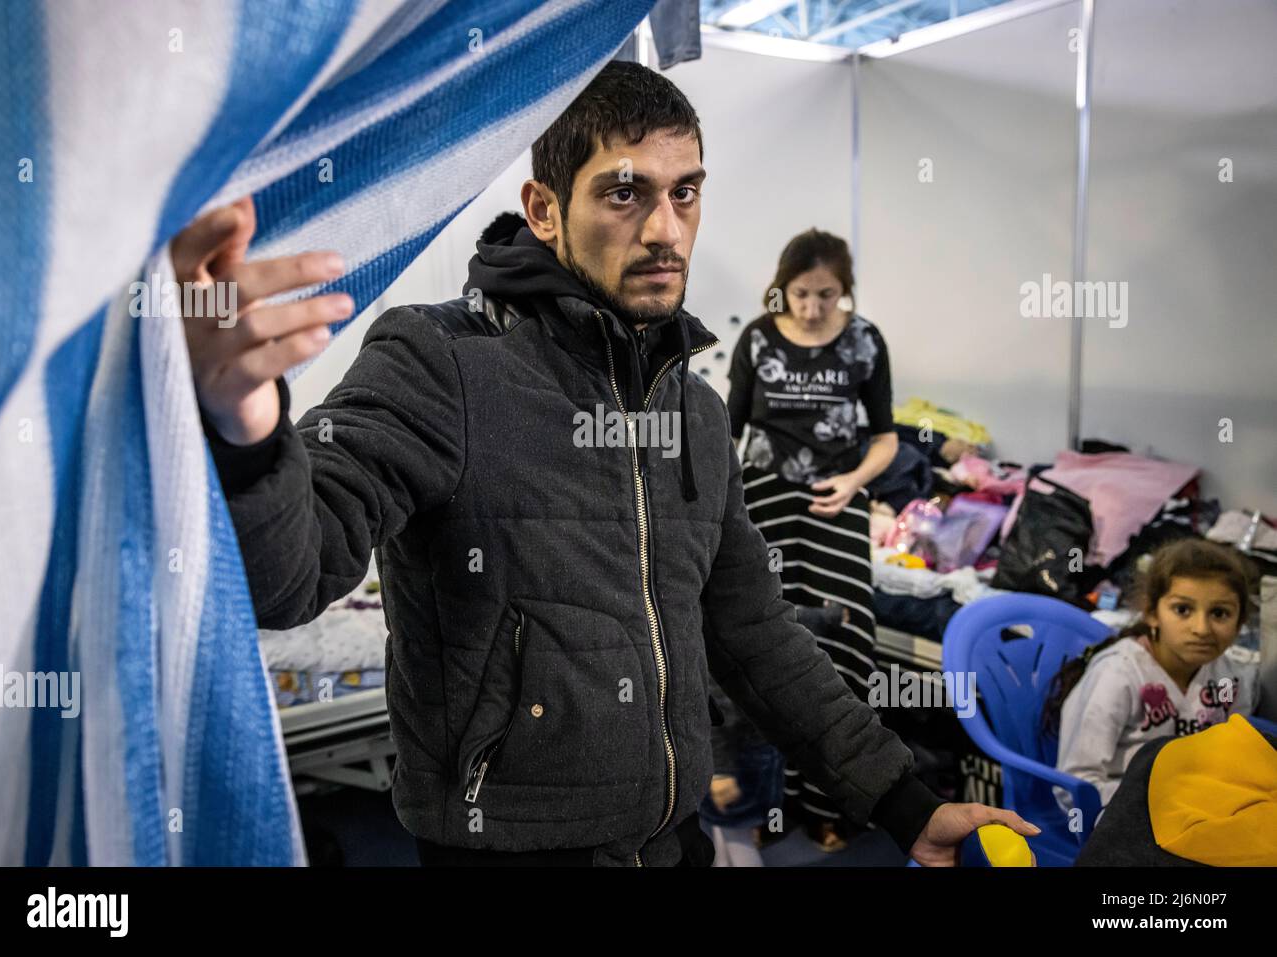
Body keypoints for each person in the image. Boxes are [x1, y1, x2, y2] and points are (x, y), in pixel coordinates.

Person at [176, 60, 1036, 866]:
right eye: (625, 192)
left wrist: (904, 801)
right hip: (508, 852)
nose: (665, 230)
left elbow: (754, 634)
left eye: (685, 192)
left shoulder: (693, 411)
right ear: (544, 209)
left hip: (672, 839)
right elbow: (289, 578)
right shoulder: (443, 360)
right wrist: (247, 427)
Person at [724, 229, 898, 850]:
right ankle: (771, 803)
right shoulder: (759, 337)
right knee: (769, 652)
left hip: (838, 504)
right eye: (801, 293)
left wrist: (854, 480)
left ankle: (833, 804)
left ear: (843, 291)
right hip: (766, 503)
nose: (812, 307)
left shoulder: (865, 341)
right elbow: (729, 429)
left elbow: (887, 437)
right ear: (784, 286)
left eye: (826, 295)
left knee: (846, 648)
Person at [1045, 539, 1260, 813]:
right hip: (1121, 818)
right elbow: (1074, 786)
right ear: (1151, 613)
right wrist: (1165, 802)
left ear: (1240, 622)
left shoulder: (1231, 678)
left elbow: (1230, 759)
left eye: (1220, 613)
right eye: (1182, 610)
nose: (1202, 628)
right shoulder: (1117, 675)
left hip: (1199, 810)